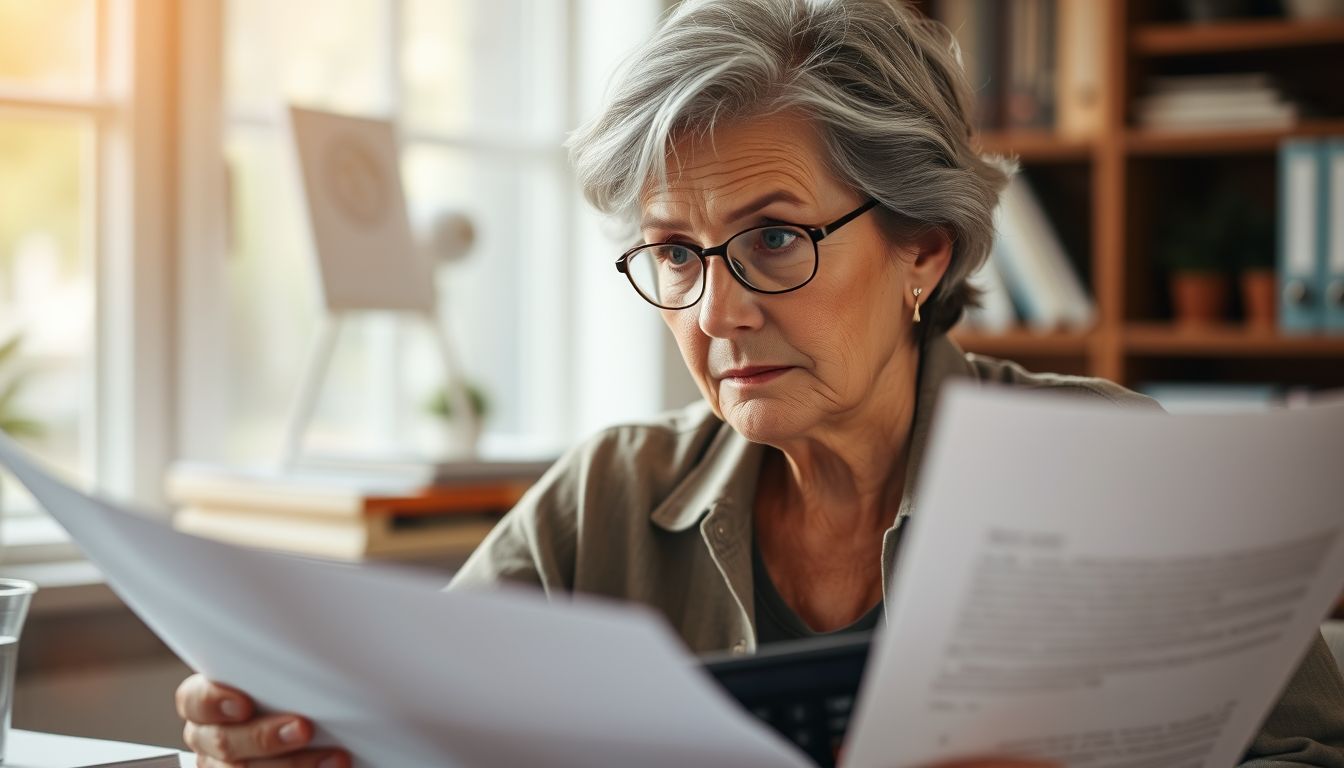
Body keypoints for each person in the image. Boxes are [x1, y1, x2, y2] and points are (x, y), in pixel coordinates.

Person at [176, 1, 1344, 766]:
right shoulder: (607, 501)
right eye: (676, 253)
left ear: (922, 249)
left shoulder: (1117, 475)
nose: (718, 309)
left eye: (776, 237)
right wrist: (298, 741)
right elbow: (419, 728)